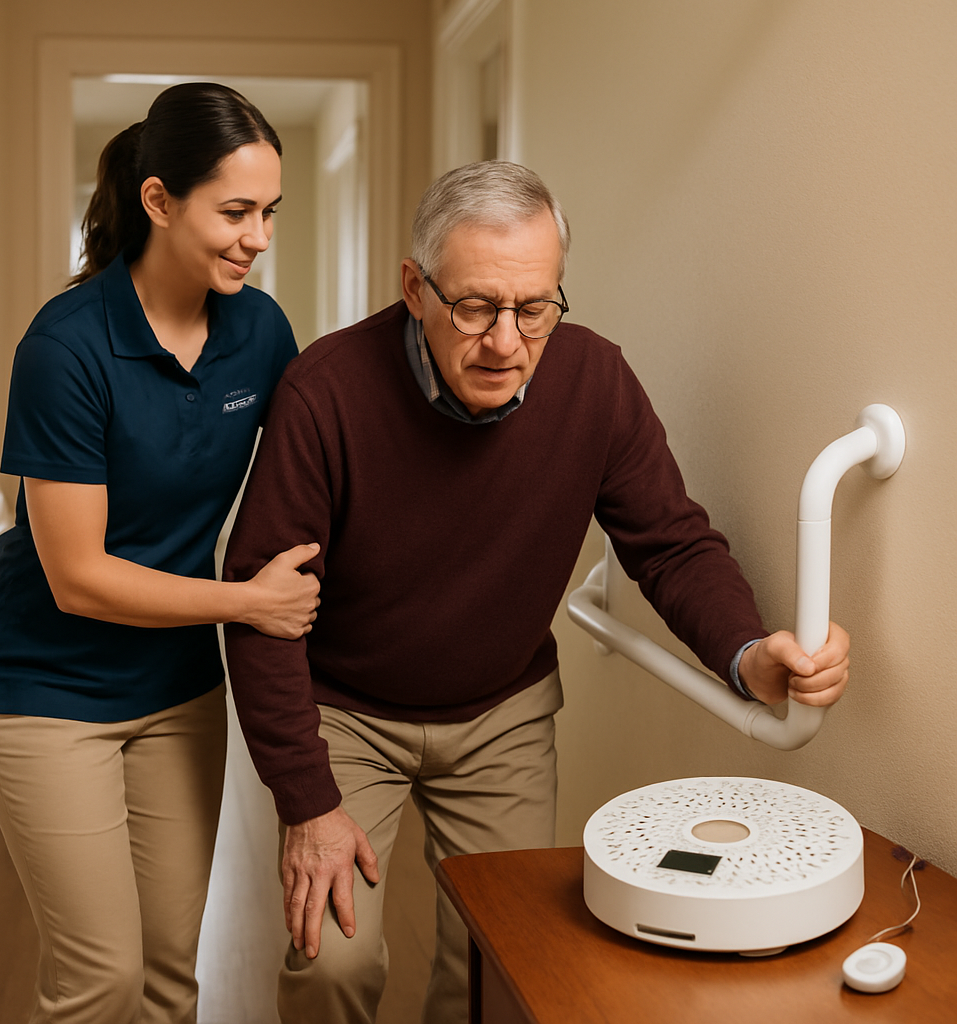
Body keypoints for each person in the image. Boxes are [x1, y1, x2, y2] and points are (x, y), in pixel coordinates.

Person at [222, 160, 851, 1024]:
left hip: (500, 714)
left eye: (536, 308)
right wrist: (307, 801)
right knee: (333, 961)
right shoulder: (326, 393)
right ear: (415, 287)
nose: (507, 343)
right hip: (346, 716)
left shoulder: (595, 382)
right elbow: (258, 615)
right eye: (475, 307)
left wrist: (749, 654)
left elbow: (670, 543)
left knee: (498, 962)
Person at [0, 82, 320, 1024]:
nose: (258, 237)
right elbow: (77, 578)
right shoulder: (66, 347)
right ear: (159, 201)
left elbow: (322, 461)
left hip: (176, 689)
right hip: (49, 690)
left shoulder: (259, 331)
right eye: (234, 212)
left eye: (270, 212)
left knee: (169, 974)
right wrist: (248, 604)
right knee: (101, 981)